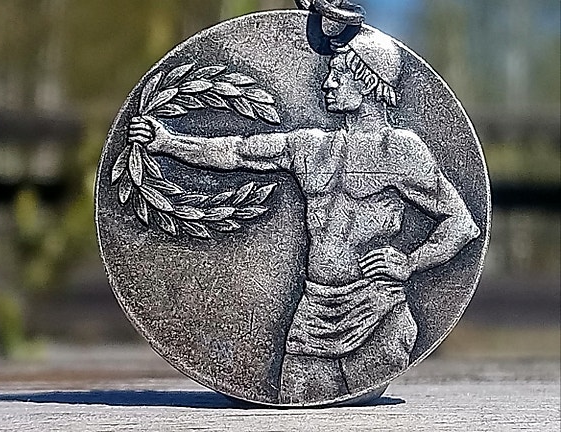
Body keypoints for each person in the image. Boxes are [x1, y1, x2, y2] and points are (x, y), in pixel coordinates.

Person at [129, 30, 480, 404]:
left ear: (367, 82)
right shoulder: (310, 146)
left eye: (338, 74)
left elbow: (461, 222)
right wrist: (168, 142)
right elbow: (238, 152)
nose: (327, 83)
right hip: (313, 312)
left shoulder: (401, 151)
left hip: (377, 310)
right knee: (294, 399)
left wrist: (410, 263)